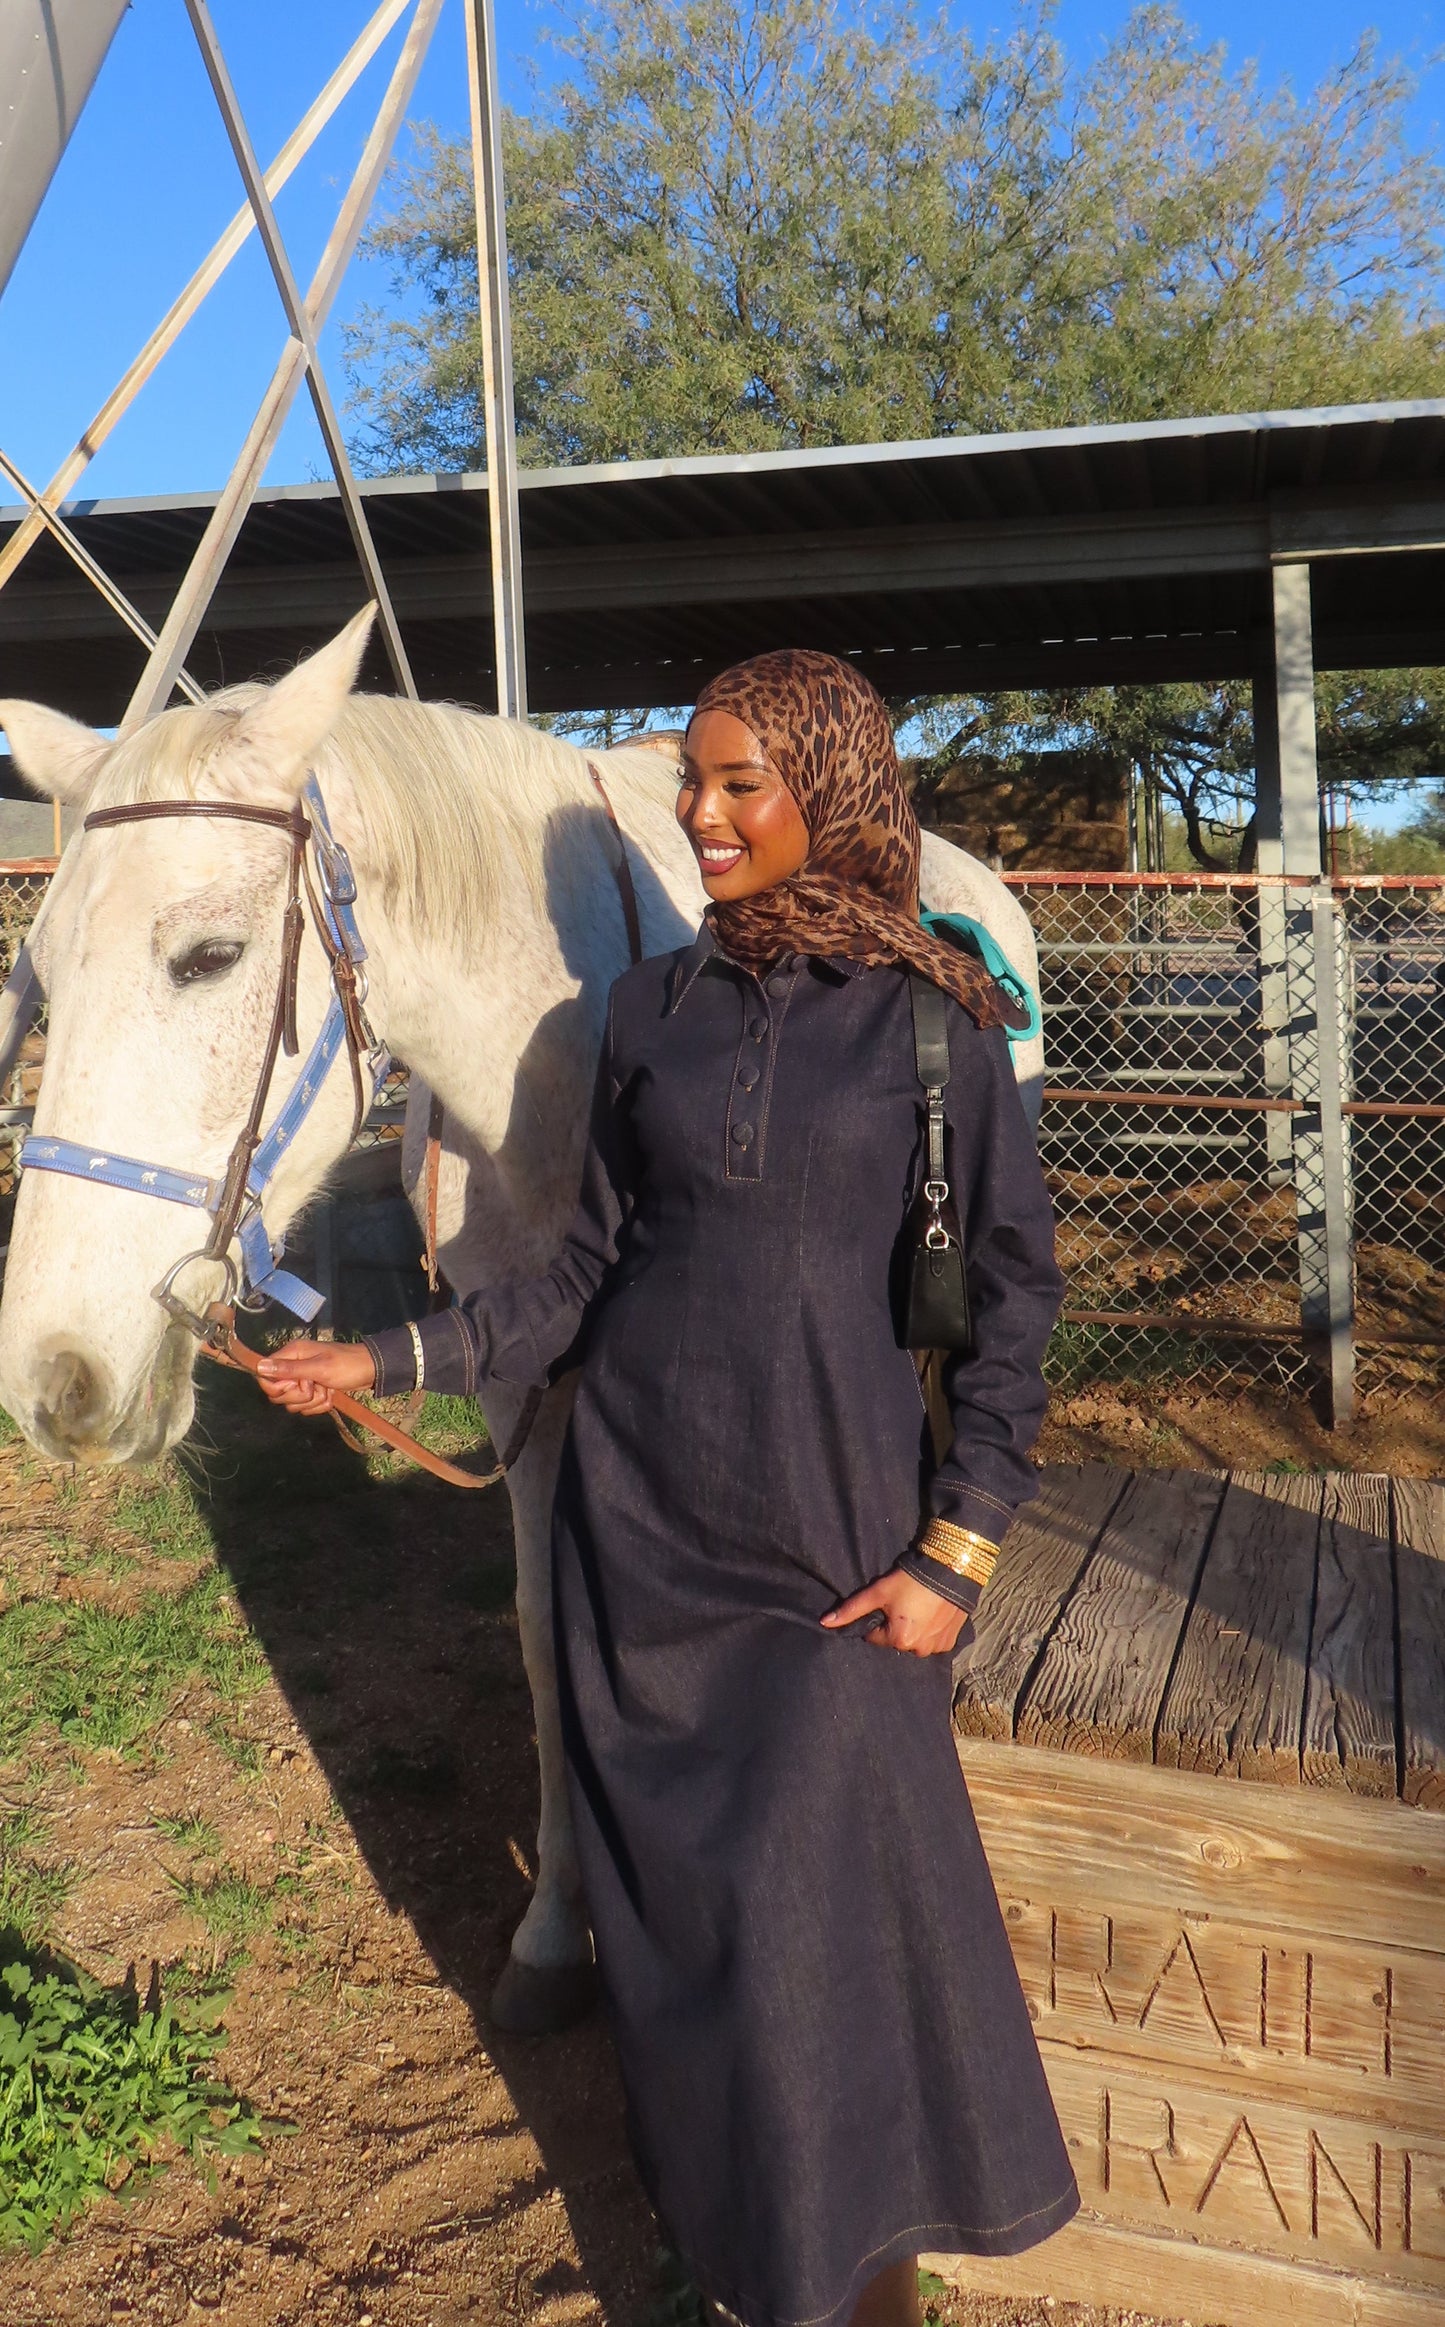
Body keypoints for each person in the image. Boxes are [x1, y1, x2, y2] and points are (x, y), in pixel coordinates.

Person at [257, 651, 1078, 2327]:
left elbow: (1012, 1306)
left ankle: (852, 2287)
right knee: (698, 1956)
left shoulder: (939, 1031)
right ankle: (729, 2246)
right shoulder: (648, 1017)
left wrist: (959, 1549)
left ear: (830, 797)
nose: (695, 817)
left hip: (838, 1550)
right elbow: (582, 1275)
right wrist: (387, 1359)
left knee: (825, 1946)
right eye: (693, 783)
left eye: (737, 785)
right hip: (632, 1536)